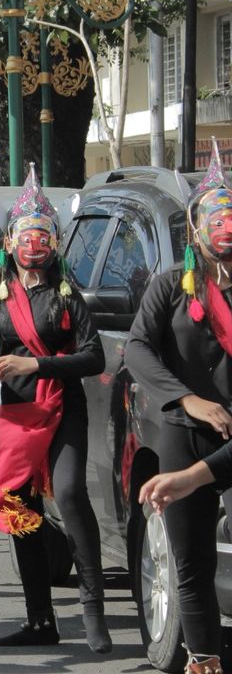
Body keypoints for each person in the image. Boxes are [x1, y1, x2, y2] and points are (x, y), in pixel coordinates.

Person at [0, 168, 109, 652]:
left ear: (55, 242)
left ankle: (92, 609)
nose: (34, 244)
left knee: (68, 492)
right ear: (10, 241)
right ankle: (40, 620)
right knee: (21, 507)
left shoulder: (66, 296)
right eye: (27, 235)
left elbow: (95, 355)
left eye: (43, 235)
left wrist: (38, 363)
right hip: (18, 416)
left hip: (64, 409)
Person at [127, 145, 232, 674]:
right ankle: (203, 657)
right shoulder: (169, 288)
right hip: (183, 430)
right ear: (196, 231)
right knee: (191, 558)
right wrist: (188, 399)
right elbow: (137, 350)